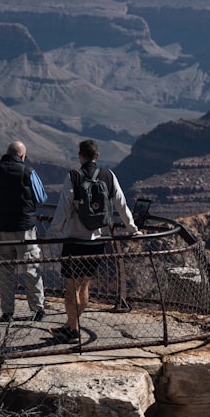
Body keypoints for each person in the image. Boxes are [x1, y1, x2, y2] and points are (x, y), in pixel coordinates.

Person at [49, 139, 138, 343]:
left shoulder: (73, 176)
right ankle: (72, 326)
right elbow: (121, 204)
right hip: (97, 241)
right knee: (84, 285)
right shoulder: (109, 176)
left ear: (80, 156)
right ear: (96, 156)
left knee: (71, 288)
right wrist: (133, 229)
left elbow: (63, 207)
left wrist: (53, 232)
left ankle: (72, 329)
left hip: (74, 241)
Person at [0, 141, 47, 322]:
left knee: (4, 272)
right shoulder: (28, 172)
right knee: (31, 269)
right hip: (24, 229)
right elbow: (41, 197)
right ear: (22, 155)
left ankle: (7, 312)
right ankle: (37, 309)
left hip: (1, 228)